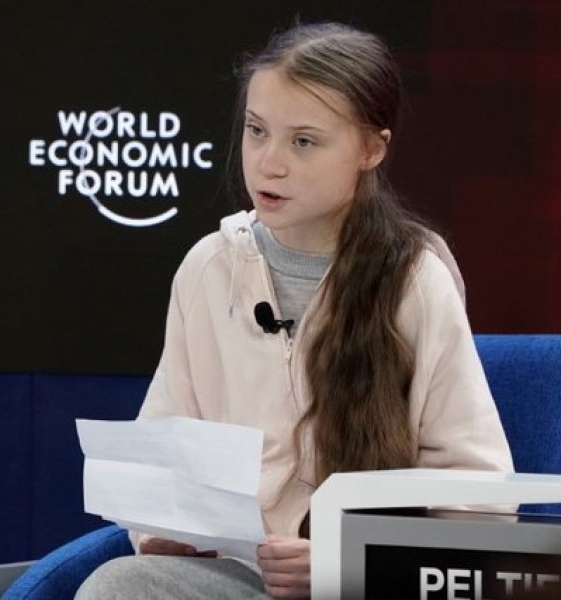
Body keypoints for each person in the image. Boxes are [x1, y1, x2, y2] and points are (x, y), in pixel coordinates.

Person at [75, 21, 514, 600]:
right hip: (243, 577)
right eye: (256, 131)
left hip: (369, 584)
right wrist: (161, 532)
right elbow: (164, 453)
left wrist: (347, 562)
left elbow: (480, 502)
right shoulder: (209, 269)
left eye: (303, 142)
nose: (269, 163)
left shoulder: (415, 280)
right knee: (120, 585)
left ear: (371, 149)